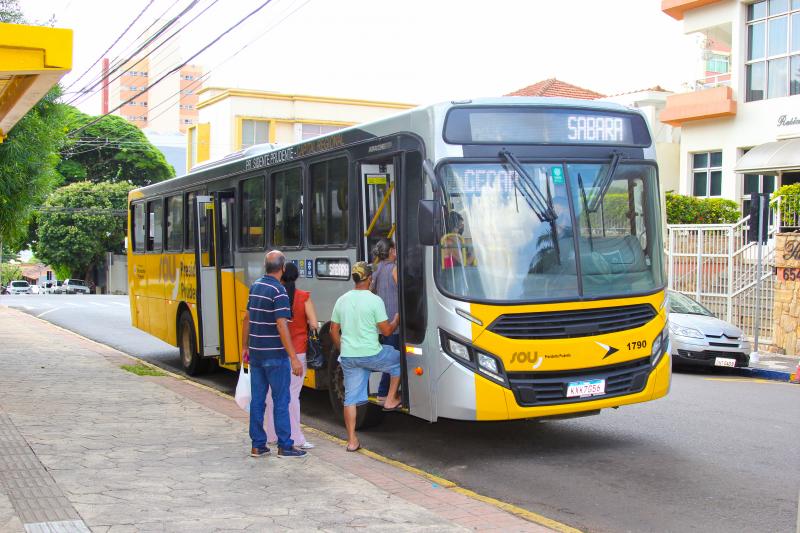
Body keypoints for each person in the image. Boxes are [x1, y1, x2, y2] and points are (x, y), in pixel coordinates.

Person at [240, 250, 307, 459]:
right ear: (283, 268)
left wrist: (245, 347)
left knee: (258, 401)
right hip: (276, 356)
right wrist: (294, 357)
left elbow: (246, 318)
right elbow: (281, 324)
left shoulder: (256, 286)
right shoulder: (279, 292)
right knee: (281, 400)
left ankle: (258, 445)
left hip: (257, 354)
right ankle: (285, 445)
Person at [330, 261, 401, 452]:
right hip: (372, 355)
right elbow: (386, 332)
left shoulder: (342, 299)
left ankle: (352, 440)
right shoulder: (374, 300)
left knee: (350, 400)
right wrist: (395, 320)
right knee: (399, 361)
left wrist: (342, 348)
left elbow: (333, 330)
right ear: (370, 279)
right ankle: (390, 398)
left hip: (349, 358)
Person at [265, 261, 317, 450]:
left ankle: (271, 435)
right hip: (298, 353)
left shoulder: (274, 295)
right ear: (296, 277)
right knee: (292, 395)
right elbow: (313, 324)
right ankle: (295, 438)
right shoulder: (303, 297)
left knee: (273, 394)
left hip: (276, 350)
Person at [370, 238, 399, 403]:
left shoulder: (377, 269)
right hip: (394, 321)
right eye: (394, 249)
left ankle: (386, 392)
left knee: (389, 355)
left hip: (382, 321)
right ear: (390, 251)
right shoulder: (393, 269)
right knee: (393, 360)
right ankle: (384, 393)